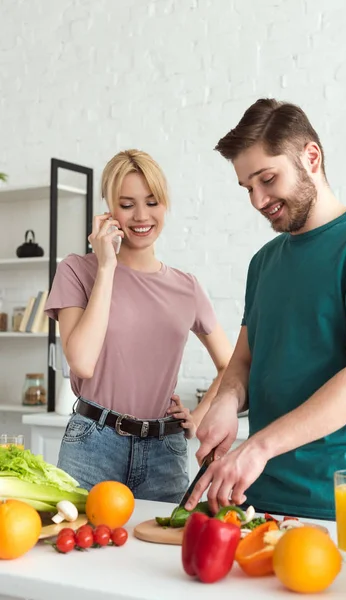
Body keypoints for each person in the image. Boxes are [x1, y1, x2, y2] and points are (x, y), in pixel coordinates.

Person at [185, 98, 346, 524]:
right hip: (257, 499)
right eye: (248, 188)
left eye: (267, 178)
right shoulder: (263, 262)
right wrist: (227, 402)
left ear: (311, 156)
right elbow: (243, 361)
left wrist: (257, 447)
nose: (258, 200)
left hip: (343, 502)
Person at [44, 149, 232, 502]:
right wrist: (106, 267)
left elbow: (230, 364)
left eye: (152, 202)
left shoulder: (186, 286)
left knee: (159, 554)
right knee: (80, 551)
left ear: (165, 205)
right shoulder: (77, 270)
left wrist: (199, 415)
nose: (142, 216)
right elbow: (82, 362)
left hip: (165, 450)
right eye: (127, 204)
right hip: (91, 445)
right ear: (109, 211)